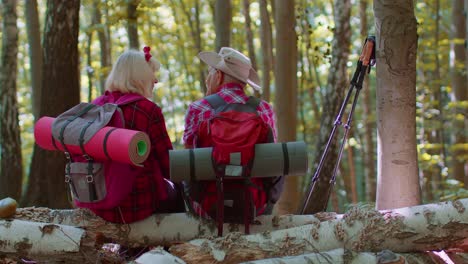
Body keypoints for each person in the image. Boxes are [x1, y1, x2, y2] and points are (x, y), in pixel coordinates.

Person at [183, 47, 283, 221]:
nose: (207, 79)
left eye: (210, 73)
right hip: (254, 204)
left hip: (208, 206)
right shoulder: (264, 109)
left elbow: (188, 156)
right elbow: (271, 159)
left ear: (219, 76)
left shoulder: (197, 108)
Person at [90, 47, 183, 223]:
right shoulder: (148, 111)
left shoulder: (95, 107)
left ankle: (130, 250)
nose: (155, 80)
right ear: (140, 77)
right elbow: (168, 164)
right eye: (152, 74)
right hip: (137, 205)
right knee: (177, 195)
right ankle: (165, 249)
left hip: (98, 204)